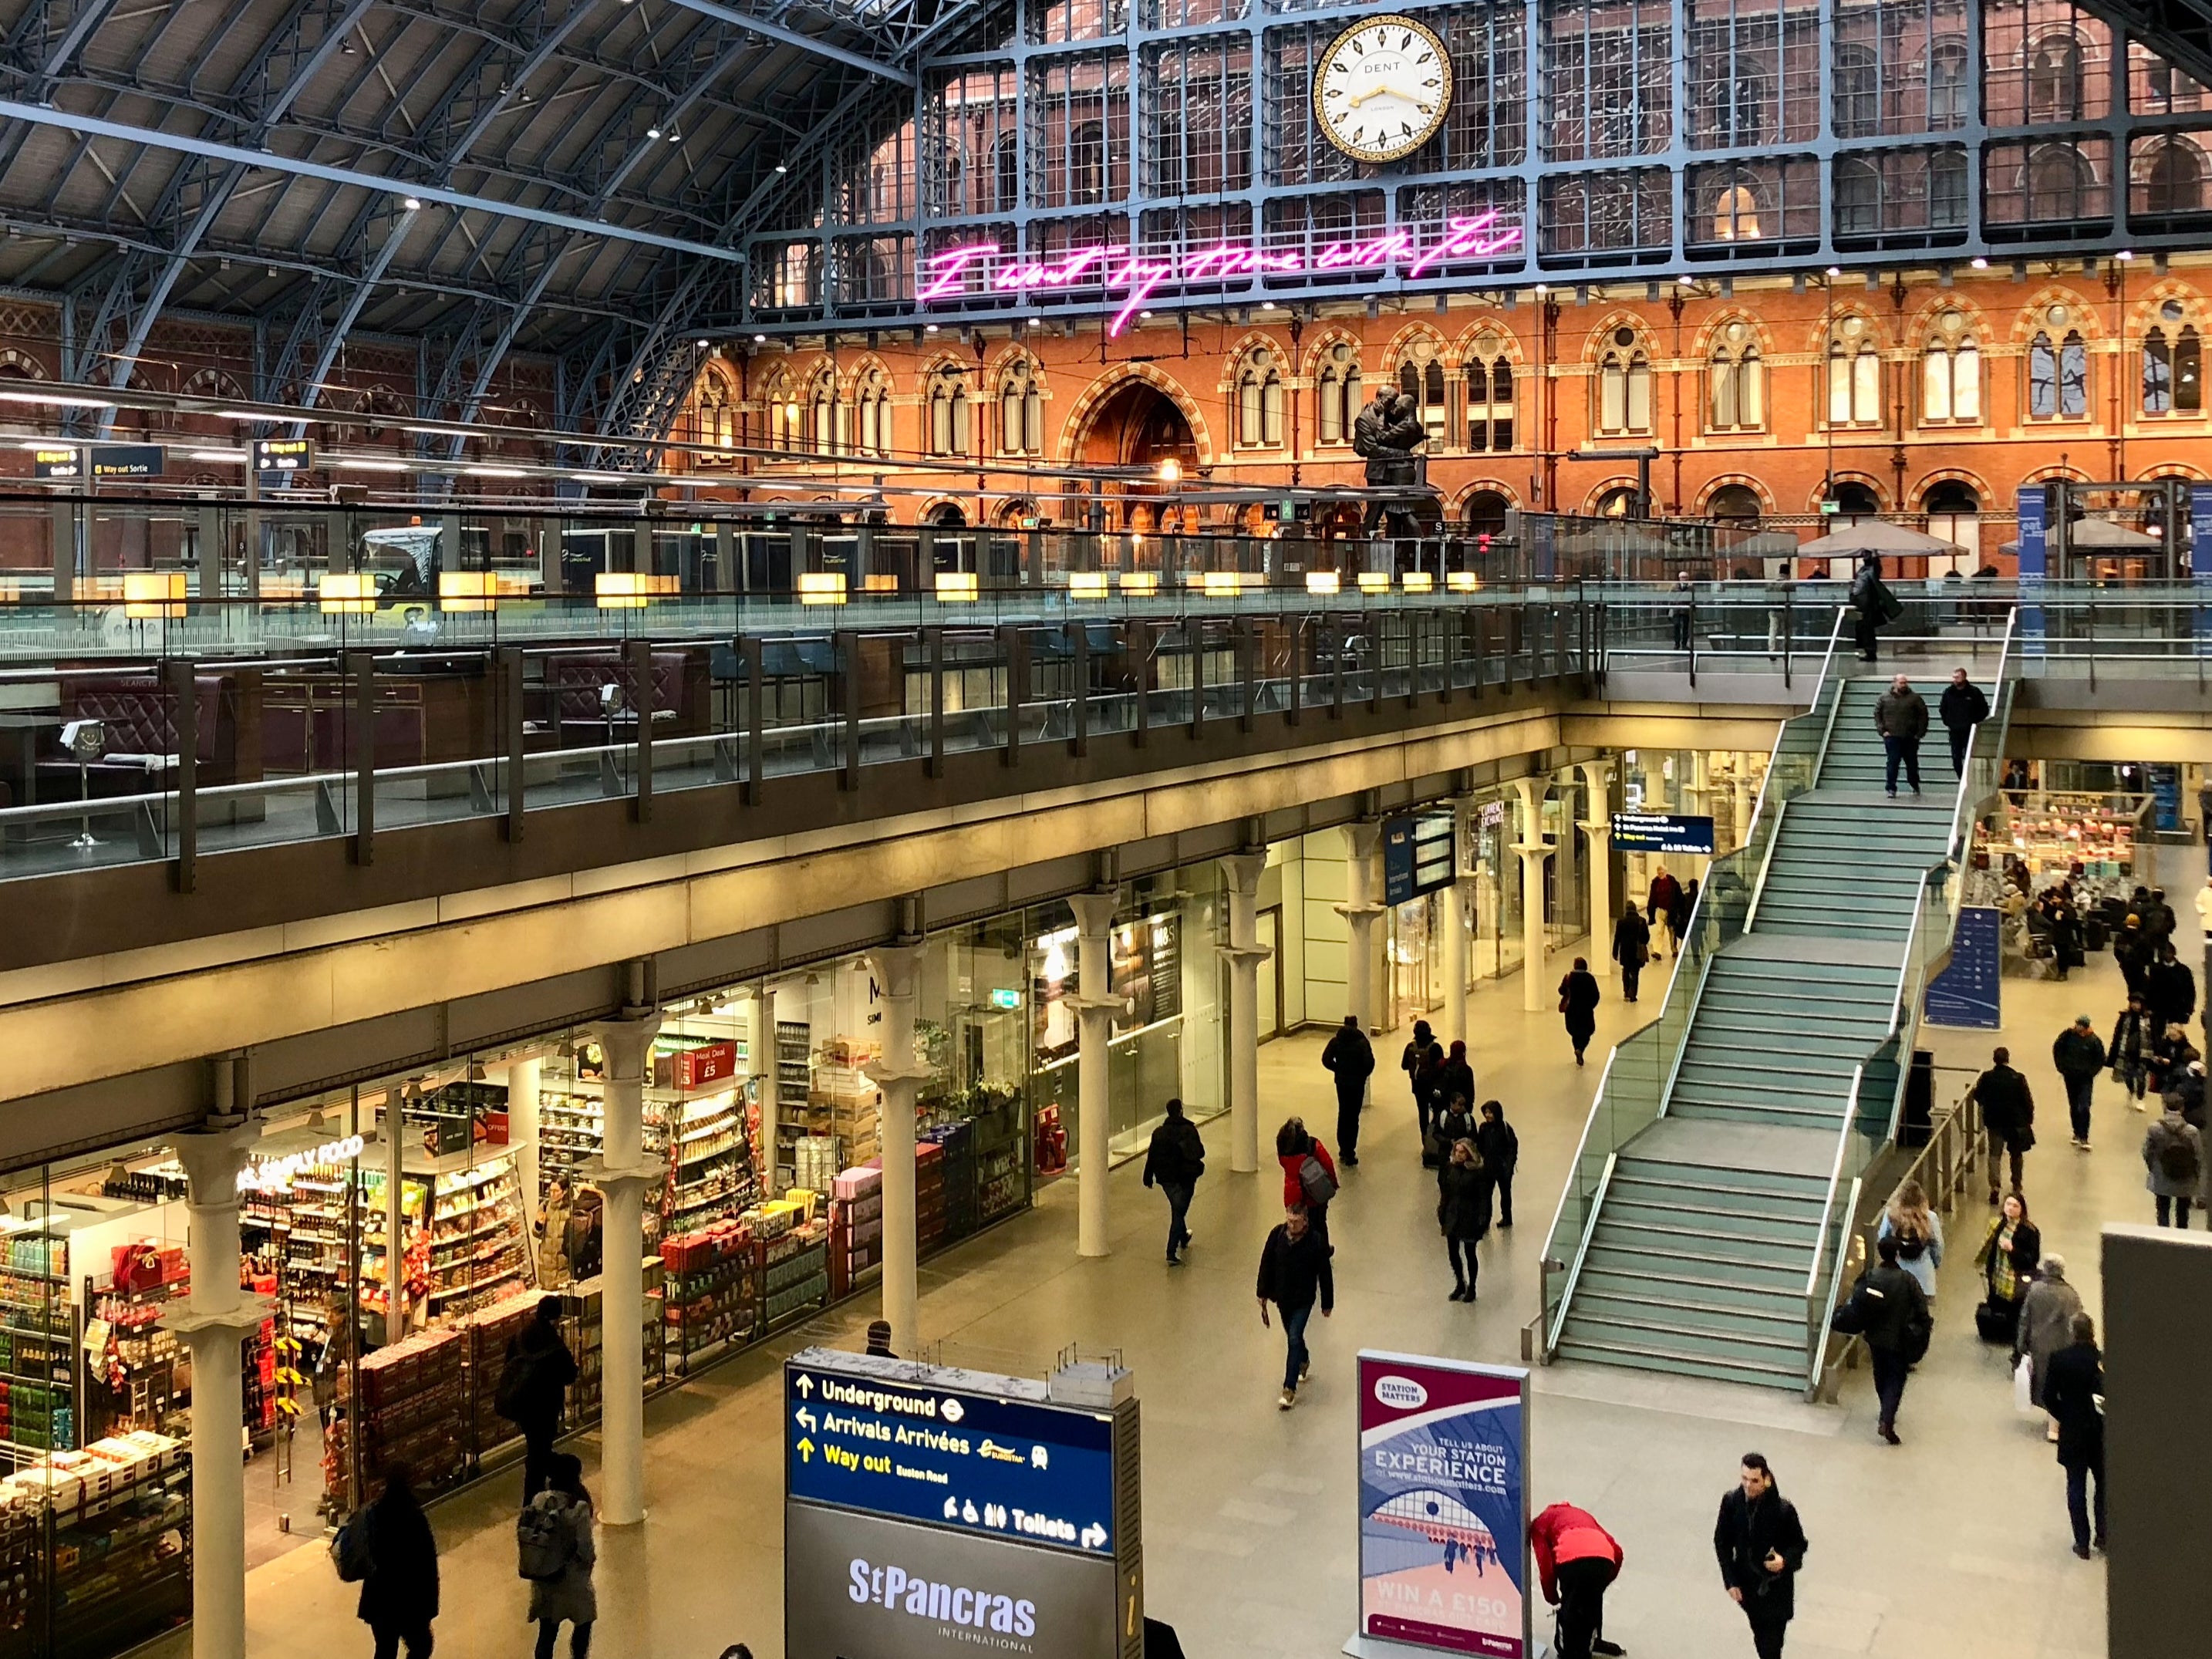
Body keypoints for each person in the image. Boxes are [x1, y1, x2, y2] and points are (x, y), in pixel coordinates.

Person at [1713, 1452, 1807, 1659]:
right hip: (1749, 1586)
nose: (1748, 1485)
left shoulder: (1784, 1510)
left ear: (1766, 1479)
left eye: (1754, 1480)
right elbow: (1722, 1542)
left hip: (1776, 1588)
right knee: (1762, 1637)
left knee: (1771, 1644)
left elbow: (1799, 1544)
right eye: (1744, 1478)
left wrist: (1784, 1560)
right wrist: (1730, 1580)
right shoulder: (1732, 1502)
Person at [498, 1296, 581, 1502]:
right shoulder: (554, 1344)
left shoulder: (519, 1337)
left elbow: (508, 1365)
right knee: (539, 1455)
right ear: (555, 1318)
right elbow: (569, 1374)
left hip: (522, 1409)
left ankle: (544, 1487)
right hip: (545, 1410)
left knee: (537, 1450)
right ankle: (536, 1498)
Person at [1850, 1234, 1930, 1445]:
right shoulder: (1907, 1280)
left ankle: (1884, 1410)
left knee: (1881, 1375)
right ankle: (1887, 1418)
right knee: (1896, 1379)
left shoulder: (1870, 1277)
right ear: (1897, 1254)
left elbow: (1858, 1304)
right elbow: (1922, 1310)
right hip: (1900, 1339)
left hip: (1875, 1338)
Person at [353, 1462, 440, 1659]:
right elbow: (427, 1565)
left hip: (379, 1599)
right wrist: (430, 1607)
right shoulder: (415, 1517)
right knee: (421, 1646)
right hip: (408, 1601)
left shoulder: (375, 1513)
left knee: (385, 1649)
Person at [2042, 1312, 2107, 1560]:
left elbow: (2048, 1396)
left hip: (2073, 1432)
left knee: (2076, 1484)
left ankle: (2082, 1542)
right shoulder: (2100, 1361)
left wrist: (2065, 1416)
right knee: (2103, 1484)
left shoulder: (2060, 1360)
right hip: (2100, 1431)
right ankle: (2103, 1535)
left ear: (2072, 1332)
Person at [1255, 1204, 1333, 1410]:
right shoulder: (1277, 1236)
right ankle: (1303, 1358)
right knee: (1294, 1335)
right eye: (1289, 1220)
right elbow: (1266, 1263)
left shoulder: (1315, 1241)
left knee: (1294, 1337)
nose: (1291, 1225)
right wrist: (1262, 1293)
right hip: (1283, 1298)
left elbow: (1325, 1273)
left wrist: (1327, 1303)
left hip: (1304, 1300)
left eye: (1295, 1221)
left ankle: (1289, 1389)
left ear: (1305, 1221)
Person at [521, 1453, 596, 1659]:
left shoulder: (539, 1500)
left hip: (544, 1575)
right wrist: (587, 1566)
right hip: (571, 1578)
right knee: (584, 1621)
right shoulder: (578, 1507)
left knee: (547, 1630)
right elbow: (585, 1547)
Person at [1529, 1502, 1625, 1659]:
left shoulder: (1539, 1524)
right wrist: (1604, 1581)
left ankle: (1569, 1653)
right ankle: (1593, 1642)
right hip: (1605, 1558)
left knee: (1570, 1612)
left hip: (1571, 1561)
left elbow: (1546, 1566)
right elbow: (1617, 1551)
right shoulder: (1582, 1515)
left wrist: (1552, 1597)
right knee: (1592, 1602)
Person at [2015, 1254, 2084, 1433]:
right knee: (2060, 1386)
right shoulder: (2070, 1295)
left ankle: (2052, 1421)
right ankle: (2054, 1425)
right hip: (2062, 1347)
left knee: (2044, 1382)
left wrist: (2021, 1344)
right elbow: (2076, 1323)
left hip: (2039, 1346)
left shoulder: (2035, 1290)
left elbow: (2025, 1318)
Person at [1141, 1097, 1206, 1263]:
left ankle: (1183, 1237)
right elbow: (1199, 1152)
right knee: (1179, 1211)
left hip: (1166, 1180)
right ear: (1180, 1111)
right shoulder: (1188, 1130)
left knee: (1177, 1207)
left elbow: (1152, 1155)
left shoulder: (1159, 1133)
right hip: (1186, 1178)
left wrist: (1148, 1176)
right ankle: (1171, 1251)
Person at [1966, 1047, 2035, 1202]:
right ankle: (2016, 1184)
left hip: (1995, 1122)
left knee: (1995, 1155)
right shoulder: (2018, 1078)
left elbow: (1977, 1095)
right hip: (2015, 1123)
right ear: (2007, 1059)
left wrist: (1988, 1105)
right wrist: (2028, 1119)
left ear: (1994, 1059)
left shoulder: (1987, 1077)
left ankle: (1995, 1186)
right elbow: (2027, 1101)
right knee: (2016, 1154)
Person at [1974, 1191, 2042, 1344]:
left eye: (2015, 1206)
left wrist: (2013, 1250)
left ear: (2022, 1209)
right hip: (1997, 1275)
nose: (2011, 1208)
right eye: (2008, 1204)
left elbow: (2033, 1259)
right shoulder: (1997, 1225)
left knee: (2014, 1310)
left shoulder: (2030, 1231)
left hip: (2016, 1279)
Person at [1435, 1139, 1493, 1303]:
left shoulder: (1477, 1173)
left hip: (1470, 1217)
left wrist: (1483, 1218)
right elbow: (1446, 1192)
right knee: (1453, 1252)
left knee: (1470, 1252)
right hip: (1453, 1215)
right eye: (1457, 1151)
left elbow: (1483, 1198)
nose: (1459, 1155)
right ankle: (1460, 1282)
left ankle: (1472, 1286)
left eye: (1462, 1152)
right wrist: (1442, 1211)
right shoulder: (1450, 1169)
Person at [1876, 1179, 1942, 1303]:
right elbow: (1937, 1246)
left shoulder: (1891, 1215)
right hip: (1924, 1279)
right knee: (1921, 1316)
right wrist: (1935, 1264)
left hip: (1898, 1275)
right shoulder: (1930, 1218)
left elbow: (1882, 1239)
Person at [1276, 1118, 1337, 1250]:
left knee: (1297, 1230)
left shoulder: (1284, 1154)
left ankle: (1301, 1256)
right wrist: (1333, 1184)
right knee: (1320, 1224)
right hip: (1316, 1195)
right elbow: (1328, 1164)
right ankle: (1323, 1252)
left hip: (1294, 1198)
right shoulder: (1313, 1146)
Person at [1322, 1014, 1374, 1166]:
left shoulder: (1336, 1041)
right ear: (1356, 1024)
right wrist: (1361, 1074)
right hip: (1357, 1084)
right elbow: (1369, 1063)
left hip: (1342, 1083)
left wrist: (1338, 1069)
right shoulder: (1362, 1042)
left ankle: (1342, 1148)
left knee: (1343, 1113)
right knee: (1353, 1116)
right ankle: (1350, 1151)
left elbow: (1326, 1059)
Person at [2142, 1097, 2203, 1227]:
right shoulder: (2192, 1131)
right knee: (2183, 1214)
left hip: (2161, 1176)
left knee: (2162, 1211)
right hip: (2186, 1178)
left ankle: (2163, 1240)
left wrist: (2153, 1169)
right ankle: (2180, 1240)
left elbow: (2147, 1152)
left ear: (2164, 1106)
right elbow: (2198, 1156)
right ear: (2182, 1108)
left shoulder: (2155, 1128)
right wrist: (2195, 1176)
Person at [2052, 1014, 2107, 1148]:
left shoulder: (2094, 1041)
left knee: (2084, 1106)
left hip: (2085, 1080)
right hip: (2070, 1077)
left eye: (2080, 1025)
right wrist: (2061, 1067)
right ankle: (2076, 1132)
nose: (2077, 1027)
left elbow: (2100, 1058)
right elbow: (2057, 1049)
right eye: (2077, 1024)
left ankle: (2084, 1136)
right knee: (2074, 1105)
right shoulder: (2067, 1036)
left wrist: (2091, 1073)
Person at [1873, 672, 1927, 799]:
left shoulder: (1915, 698)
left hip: (1910, 737)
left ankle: (1914, 784)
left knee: (1912, 763)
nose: (1903, 685)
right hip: (1892, 736)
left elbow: (1923, 716)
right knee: (1893, 762)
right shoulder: (1884, 698)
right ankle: (1891, 788)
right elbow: (1877, 714)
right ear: (1895, 682)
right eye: (1901, 682)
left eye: (1905, 682)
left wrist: (1919, 734)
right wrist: (1883, 731)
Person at [1938, 666, 1990, 777]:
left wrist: (1974, 722)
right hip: (1955, 731)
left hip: (1969, 730)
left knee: (1968, 757)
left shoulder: (1974, 692)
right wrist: (1948, 722)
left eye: (1957, 677)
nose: (1955, 680)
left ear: (1964, 677)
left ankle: (1968, 777)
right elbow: (1943, 709)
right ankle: (1961, 777)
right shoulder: (1949, 693)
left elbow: (1984, 709)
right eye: (1954, 677)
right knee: (1956, 759)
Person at [1475, 1100, 1519, 1227]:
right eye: (1486, 1112)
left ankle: (1507, 1217)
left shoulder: (1505, 1128)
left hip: (1502, 1167)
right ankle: (1485, 1220)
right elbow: (1479, 1145)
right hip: (1488, 1167)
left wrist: (1509, 1165)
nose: (1488, 1115)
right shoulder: (1483, 1128)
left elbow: (1512, 1147)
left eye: (1491, 1112)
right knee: (1486, 1195)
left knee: (1505, 1194)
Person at [2110, 992, 2154, 1108]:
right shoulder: (2125, 1017)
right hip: (2126, 1052)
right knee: (2127, 1076)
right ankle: (2131, 1090)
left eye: (2137, 1003)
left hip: (2142, 1053)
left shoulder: (2148, 1018)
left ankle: (2140, 1098)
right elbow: (2117, 1035)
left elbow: (2153, 1036)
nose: (2135, 1005)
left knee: (2141, 1077)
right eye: (2133, 1003)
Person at [1850, 551, 1894, 663]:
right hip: (1860, 601)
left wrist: (1874, 555)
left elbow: (1876, 570)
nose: (1864, 558)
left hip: (1867, 604)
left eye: (1867, 556)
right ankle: (1867, 650)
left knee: (1867, 628)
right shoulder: (1863, 570)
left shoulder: (1872, 570)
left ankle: (1870, 652)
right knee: (1862, 628)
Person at [1559, 956, 1602, 1066]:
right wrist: (1591, 1005)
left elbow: (1561, 991)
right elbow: (1596, 995)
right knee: (1587, 1032)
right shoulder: (1590, 978)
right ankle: (1581, 1049)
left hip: (1571, 1011)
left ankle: (1578, 1048)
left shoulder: (1569, 977)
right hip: (1586, 1011)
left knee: (1575, 1033)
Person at [2147, 943, 2197, 1035]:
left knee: (2175, 1036)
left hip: (2177, 1011)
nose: (2167, 954)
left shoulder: (2183, 971)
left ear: (2174, 953)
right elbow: (2151, 990)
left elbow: (2190, 992)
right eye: (2165, 952)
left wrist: (2188, 1010)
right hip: (2159, 1011)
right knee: (2157, 1036)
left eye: (2169, 952)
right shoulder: (2156, 970)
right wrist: (2149, 1007)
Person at [537, 1173, 574, 1290]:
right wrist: (539, 1225)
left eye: (556, 1191)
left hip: (563, 1269)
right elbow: (536, 1233)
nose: (552, 1194)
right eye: (551, 1190)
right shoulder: (544, 1207)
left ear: (564, 1191)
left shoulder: (571, 1209)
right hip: (546, 1268)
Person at [1612, 901, 1651, 1003]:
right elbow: (1646, 938)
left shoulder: (1621, 922)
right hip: (1637, 952)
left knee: (1626, 970)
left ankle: (1626, 991)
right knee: (1635, 972)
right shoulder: (1641, 921)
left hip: (1625, 951)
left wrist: (1615, 952)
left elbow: (1617, 938)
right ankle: (1633, 994)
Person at [2113, 915, 2151, 1000]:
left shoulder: (2120, 937)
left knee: (2131, 987)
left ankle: (2133, 1004)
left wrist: (2122, 962)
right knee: (2141, 986)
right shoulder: (2142, 938)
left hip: (2126, 967)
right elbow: (2148, 953)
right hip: (2139, 967)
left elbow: (2117, 953)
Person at [1439, 1040, 1475, 1127]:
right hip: (1462, 1106)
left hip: (1446, 1104)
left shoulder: (1443, 1065)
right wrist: (1469, 1107)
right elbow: (1470, 1091)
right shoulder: (1466, 1069)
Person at [1647, 867, 1682, 957]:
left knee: (1672, 931)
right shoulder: (1655, 883)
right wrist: (1650, 911)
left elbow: (1679, 897)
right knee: (1659, 930)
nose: (1660, 874)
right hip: (1659, 910)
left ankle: (1674, 949)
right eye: (1659, 872)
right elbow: (1652, 897)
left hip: (1671, 911)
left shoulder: (1673, 883)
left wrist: (1678, 909)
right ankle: (1657, 951)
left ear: (1666, 872)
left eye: (1662, 872)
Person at [1671, 570, 1694, 652]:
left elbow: (1693, 598)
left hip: (1686, 610)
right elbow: (1671, 597)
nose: (1683, 579)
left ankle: (1684, 644)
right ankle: (1677, 643)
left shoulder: (1691, 588)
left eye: (1685, 577)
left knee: (1685, 627)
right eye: (1682, 577)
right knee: (1676, 626)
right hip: (1677, 610)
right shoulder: (1675, 587)